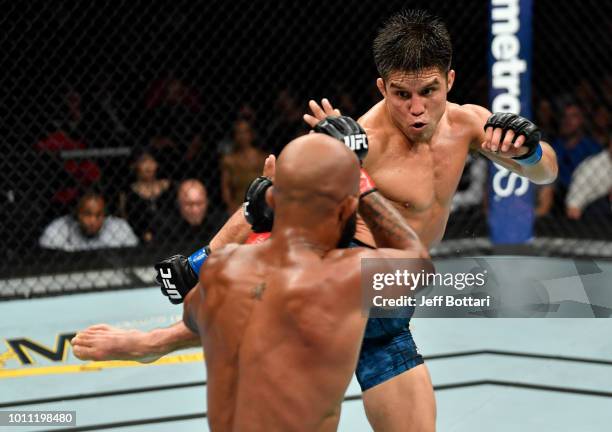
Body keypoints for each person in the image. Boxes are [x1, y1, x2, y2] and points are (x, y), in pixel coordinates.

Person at [73, 10, 559, 431]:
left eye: (428, 92)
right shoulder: (358, 140)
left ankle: (158, 341)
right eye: (401, 94)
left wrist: (531, 151)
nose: (415, 109)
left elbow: (545, 173)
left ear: (449, 82)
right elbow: (272, 195)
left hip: (390, 310)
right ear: (381, 87)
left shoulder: (471, 123)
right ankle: (155, 341)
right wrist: (202, 258)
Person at [39, 191, 138, 252]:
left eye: (99, 215)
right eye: (87, 214)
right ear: (77, 214)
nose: (93, 221)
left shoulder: (119, 227)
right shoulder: (58, 228)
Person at [121, 152, 172, 243]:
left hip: (170, 236)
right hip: (139, 240)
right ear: (135, 165)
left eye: (151, 161)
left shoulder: (168, 186)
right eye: (143, 161)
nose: (148, 166)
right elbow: (125, 220)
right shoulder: (128, 193)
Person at [220, 119, 268, 212]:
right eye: (239, 132)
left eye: (245, 132)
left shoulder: (263, 158)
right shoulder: (229, 161)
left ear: (251, 134)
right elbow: (225, 188)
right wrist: (231, 206)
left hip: (261, 207)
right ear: (235, 136)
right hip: (239, 208)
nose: (242, 136)